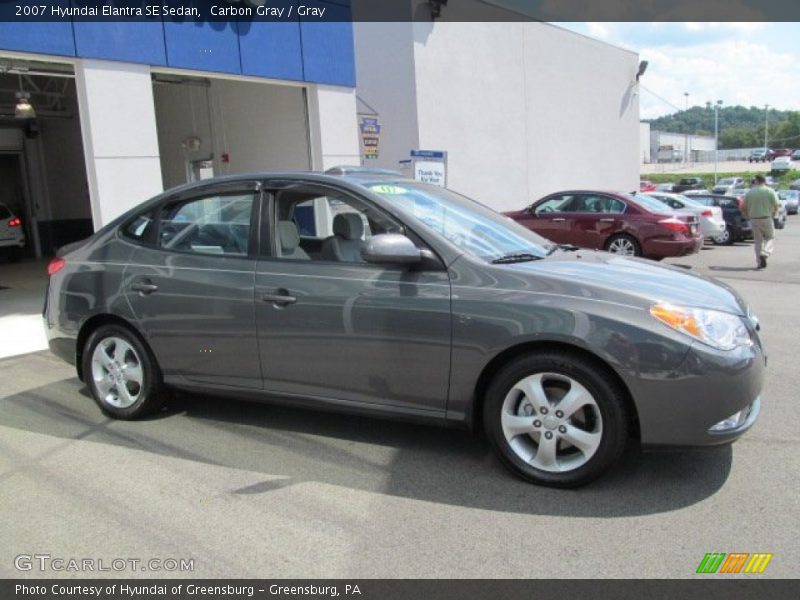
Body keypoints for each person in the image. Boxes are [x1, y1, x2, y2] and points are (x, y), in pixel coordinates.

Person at [742, 175, 779, 269]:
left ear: (757, 181)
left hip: (754, 219)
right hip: (766, 217)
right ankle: (765, 252)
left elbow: (743, 207)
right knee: (770, 237)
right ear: (764, 181)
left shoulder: (750, 192)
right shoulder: (769, 191)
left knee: (758, 241)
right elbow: (776, 204)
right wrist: (774, 214)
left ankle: (759, 262)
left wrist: (747, 216)